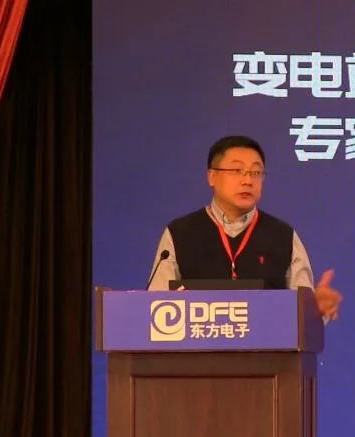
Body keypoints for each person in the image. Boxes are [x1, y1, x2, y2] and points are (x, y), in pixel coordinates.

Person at [147, 135, 342, 320]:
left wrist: (315, 308)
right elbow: (155, 308)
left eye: (256, 173)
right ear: (212, 177)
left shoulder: (283, 236)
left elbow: (304, 315)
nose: (247, 181)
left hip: (267, 344)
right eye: (236, 171)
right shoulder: (180, 233)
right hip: (196, 343)